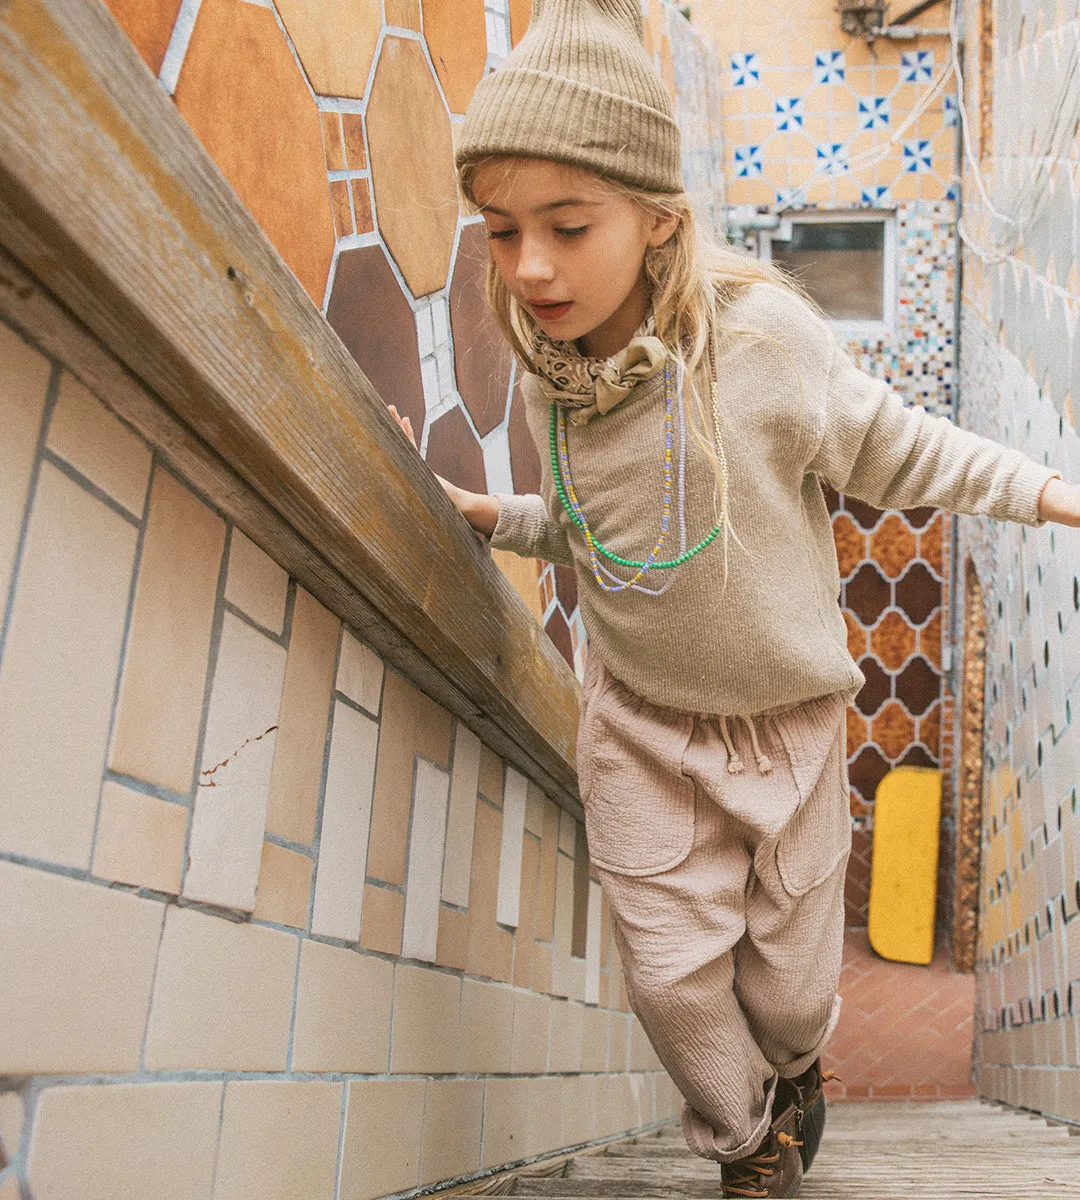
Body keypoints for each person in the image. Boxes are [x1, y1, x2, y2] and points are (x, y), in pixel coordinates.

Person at [387, 2, 1080, 1195]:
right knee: (669, 977)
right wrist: (500, 517)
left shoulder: (762, 343)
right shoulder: (555, 372)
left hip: (790, 725)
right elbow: (613, 541)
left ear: (658, 219)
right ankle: (748, 1140)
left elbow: (899, 449)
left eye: (566, 224)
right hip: (642, 725)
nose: (530, 266)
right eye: (501, 231)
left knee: (793, 989)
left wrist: (1044, 488)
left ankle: (798, 1066)